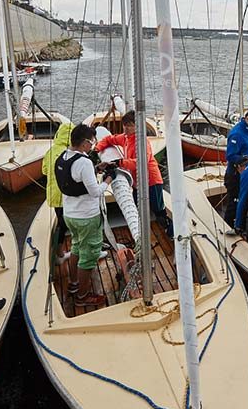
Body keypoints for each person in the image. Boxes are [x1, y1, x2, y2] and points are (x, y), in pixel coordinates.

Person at [54, 124, 114, 306]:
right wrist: (109, 180)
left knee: (76, 248)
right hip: (87, 217)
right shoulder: (84, 162)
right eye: (92, 142)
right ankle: (83, 296)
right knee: (88, 256)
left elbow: (75, 180)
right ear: (85, 143)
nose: (93, 146)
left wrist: (97, 168)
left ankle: (73, 284)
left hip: (70, 215)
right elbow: (95, 192)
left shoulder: (63, 158)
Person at [94, 111, 170, 235]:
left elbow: (141, 161)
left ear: (137, 126)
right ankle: (141, 233)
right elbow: (109, 139)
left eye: (129, 125)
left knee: (159, 211)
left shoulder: (142, 142)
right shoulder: (125, 138)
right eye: (124, 125)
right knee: (136, 208)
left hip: (151, 181)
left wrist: (120, 163)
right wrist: (97, 148)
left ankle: (168, 232)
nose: (126, 128)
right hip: (136, 182)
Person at [42, 122, 74, 256]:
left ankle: (59, 251)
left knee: (61, 222)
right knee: (66, 224)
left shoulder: (50, 150)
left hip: (54, 194)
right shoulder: (70, 153)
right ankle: (60, 253)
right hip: (66, 195)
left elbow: (44, 171)